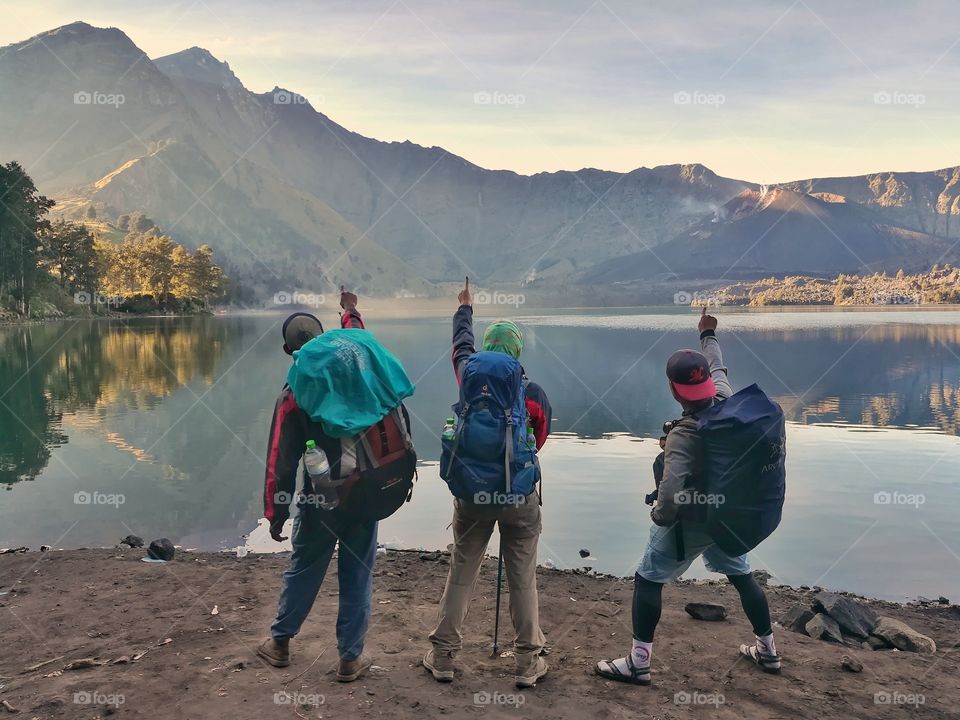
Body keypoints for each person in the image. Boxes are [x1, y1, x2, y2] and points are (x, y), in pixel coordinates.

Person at [595, 308, 780, 686]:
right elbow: (718, 367)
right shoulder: (728, 403)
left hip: (691, 523)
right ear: (709, 386)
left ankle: (638, 663)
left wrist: (660, 518)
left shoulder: (685, 432)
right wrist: (708, 335)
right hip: (728, 516)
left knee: (647, 579)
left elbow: (671, 492)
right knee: (742, 575)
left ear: (672, 388)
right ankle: (768, 651)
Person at [424, 278, 553, 688]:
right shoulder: (531, 393)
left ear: (488, 350)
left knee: (462, 568)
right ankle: (528, 663)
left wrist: (465, 309)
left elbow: (461, 346)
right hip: (518, 496)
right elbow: (539, 443)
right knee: (521, 575)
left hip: (472, 494)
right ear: (517, 352)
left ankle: (443, 655)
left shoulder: (468, 378)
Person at [257, 288, 386, 682]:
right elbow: (360, 341)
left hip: (321, 498)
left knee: (306, 567)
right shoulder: (358, 371)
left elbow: (280, 463)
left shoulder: (294, 395)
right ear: (327, 337)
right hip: (365, 492)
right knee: (357, 572)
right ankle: (349, 659)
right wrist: (350, 311)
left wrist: (276, 513)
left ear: (287, 350)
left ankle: (280, 643)